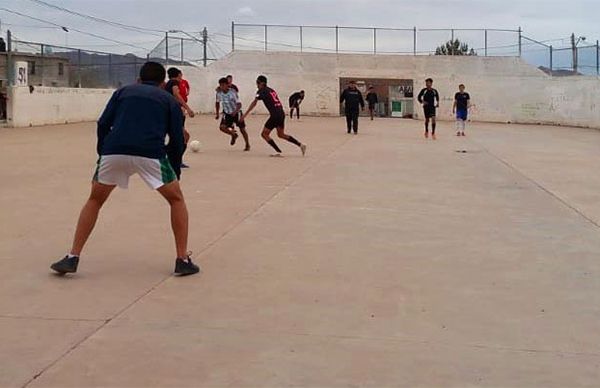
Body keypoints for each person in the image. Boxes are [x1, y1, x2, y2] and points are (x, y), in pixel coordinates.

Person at [50, 62, 199, 276]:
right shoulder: (168, 100)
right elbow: (176, 138)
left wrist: (103, 151)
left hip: (114, 151)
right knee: (176, 200)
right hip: (151, 153)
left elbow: (103, 124)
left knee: (94, 200)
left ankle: (72, 257)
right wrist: (175, 167)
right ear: (162, 83)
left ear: (138, 79)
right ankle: (182, 259)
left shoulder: (122, 92)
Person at [241, 75, 307, 157]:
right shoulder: (271, 90)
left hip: (275, 115)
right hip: (281, 113)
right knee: (281, 134)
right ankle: (301, 145)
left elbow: (254, 103)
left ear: (262, 83)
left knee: (264, 134)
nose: (257, 85)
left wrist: (245, 115)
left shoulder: (261, 91)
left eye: (257, 83)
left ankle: (279, 151)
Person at [165, 67, 194, 168]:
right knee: (183, 137)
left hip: (174, 113)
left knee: (181, 137)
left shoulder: (168, 83)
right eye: (181, 74)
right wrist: (187, 108)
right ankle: (174, 160)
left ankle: (176, 160)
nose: (182, 77)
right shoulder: (174, 83)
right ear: (178, 75)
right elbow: (176, 94)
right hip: (174, 114)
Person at [215, 77, 250, 151]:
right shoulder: (219, 93)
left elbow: (239, 104)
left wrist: (235, 112)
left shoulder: (233, 92)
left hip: (236, 113)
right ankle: (233, 134)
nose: (222, 87)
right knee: (222, 127)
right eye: (221, 85)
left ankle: (247, 144)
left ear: (227, 85)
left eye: (223, 85)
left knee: (242, 129)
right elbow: (217, 103)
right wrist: (217, 113)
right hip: (227, 113)